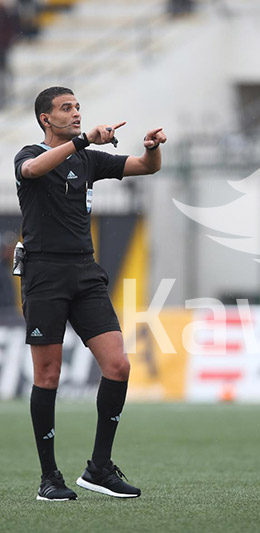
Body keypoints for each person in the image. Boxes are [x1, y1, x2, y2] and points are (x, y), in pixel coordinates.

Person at [14, 86, 167, 501]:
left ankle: (99, 468)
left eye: (78, 107)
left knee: (118, 366)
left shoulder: (86, 159)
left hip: (85, 273)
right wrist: (82, 140)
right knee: (49, 376)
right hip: (44, 275)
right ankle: (49, 477)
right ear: (46, 119)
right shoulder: (29, 155)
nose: (76, 113)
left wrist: (151, 148)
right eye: (66, 109)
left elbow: (144, 167)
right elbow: (32, 172)